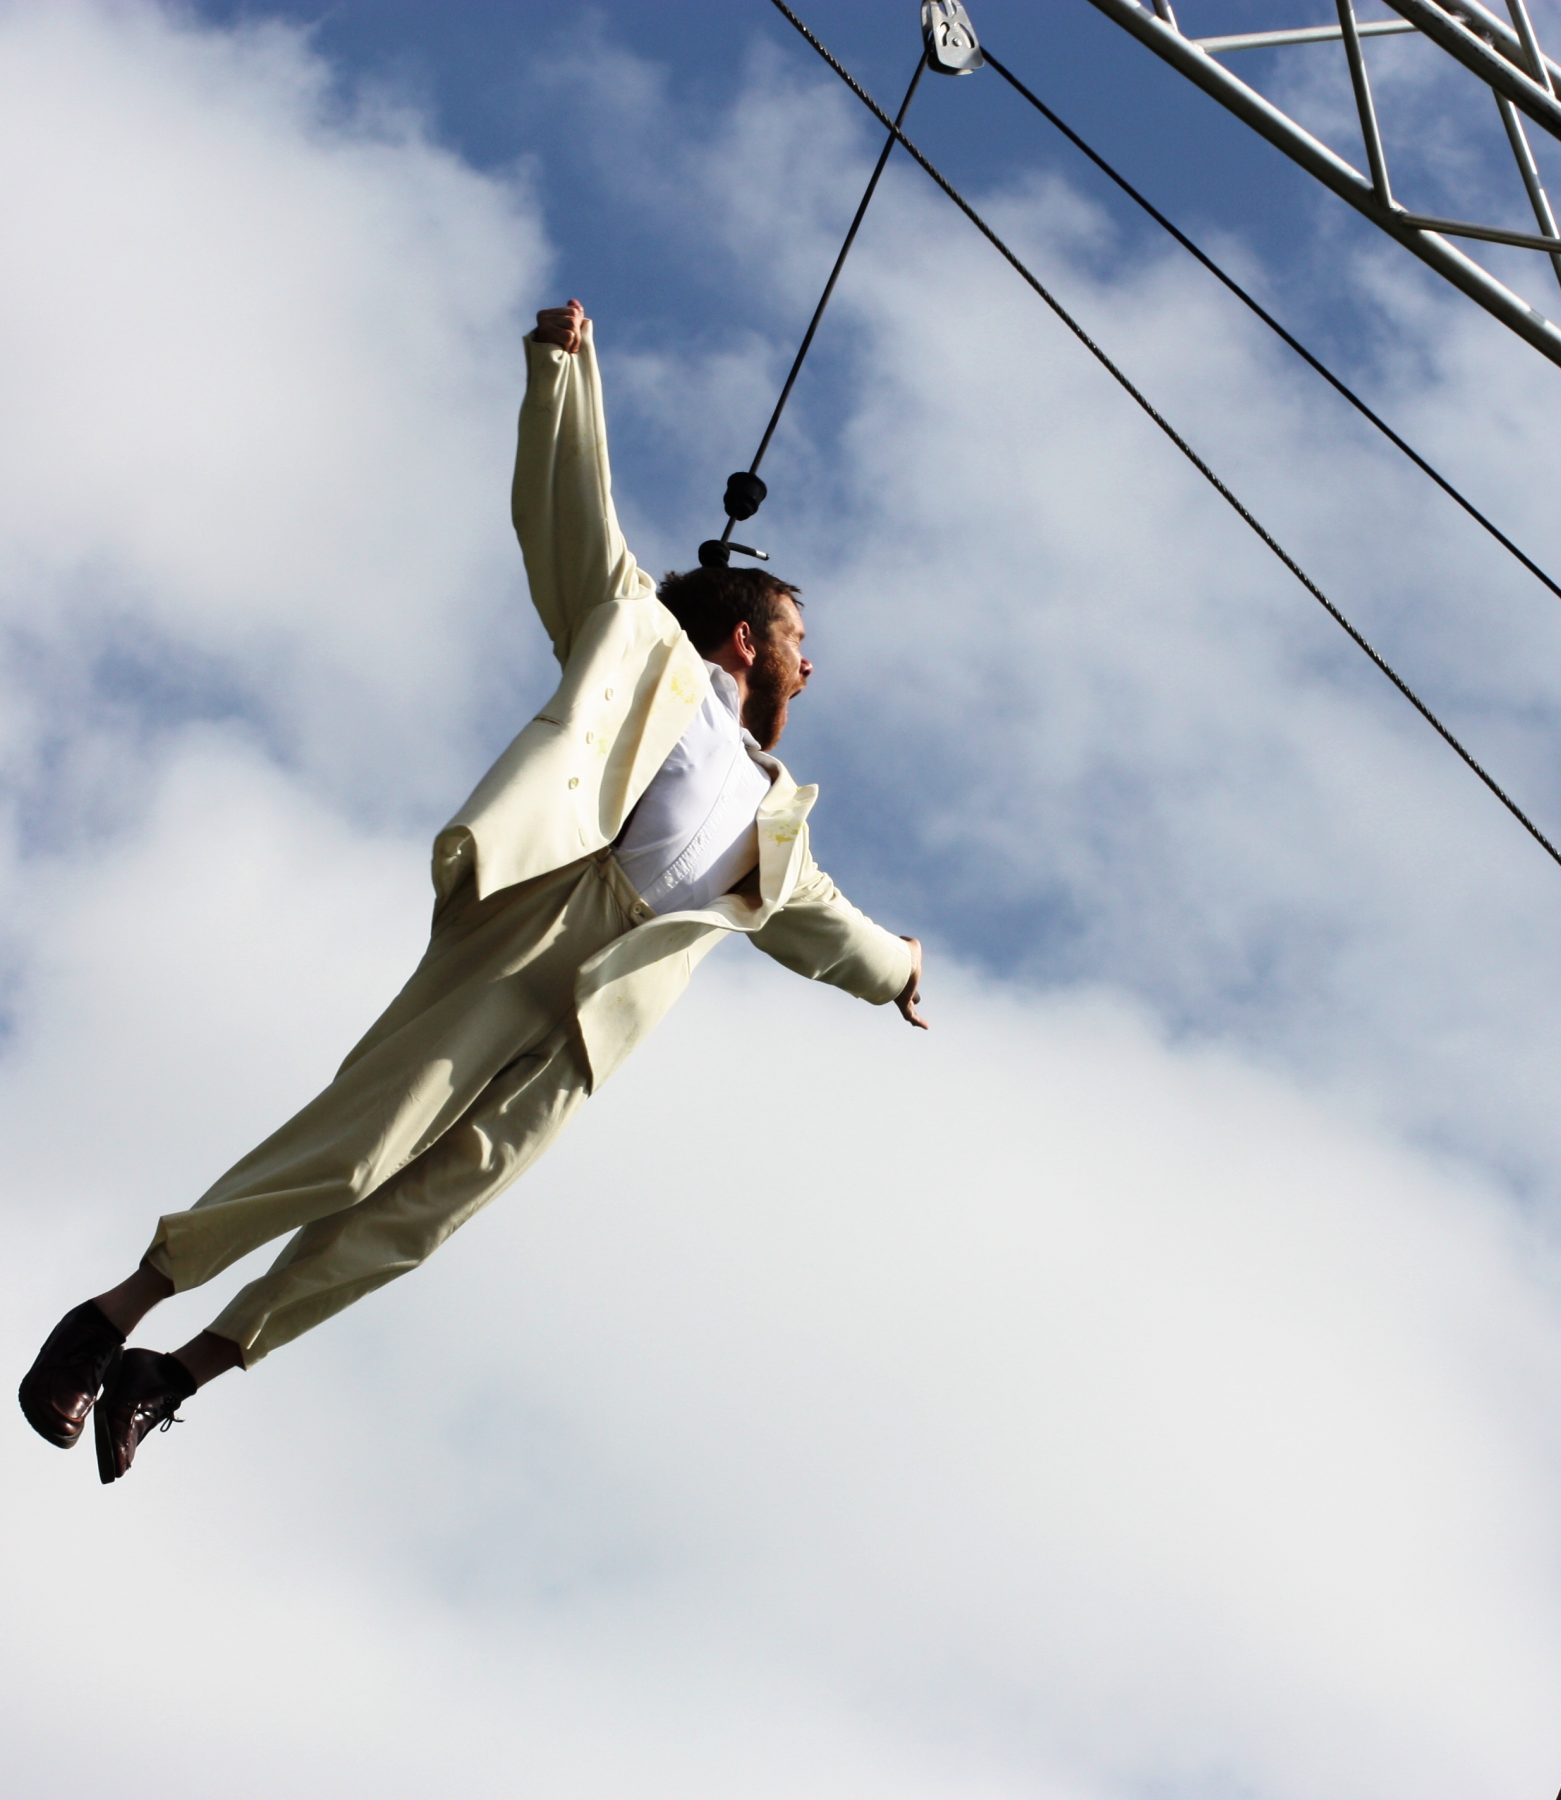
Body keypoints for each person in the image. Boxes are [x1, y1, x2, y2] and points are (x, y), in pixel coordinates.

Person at [19, 298, 928, 1484]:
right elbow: (571, 522)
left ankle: (177, 1372)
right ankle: (103, 1321)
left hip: (592, 1025)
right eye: (799, 635)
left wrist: (901, 968)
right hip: (540, 922)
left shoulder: (780, 822)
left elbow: (830, 931)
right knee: (358, 1149)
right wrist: (564, 373)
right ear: (749, 642)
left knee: (416, 1218)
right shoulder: (644, 648)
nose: (814, 660)